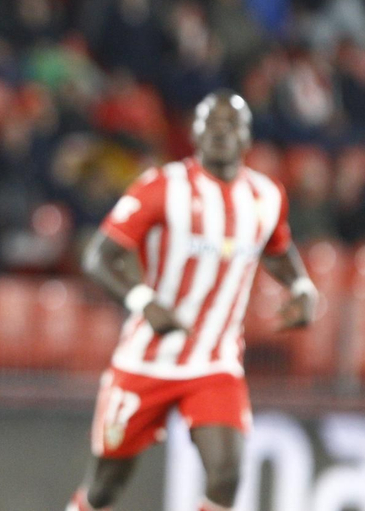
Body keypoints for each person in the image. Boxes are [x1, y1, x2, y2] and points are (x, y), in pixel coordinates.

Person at [67, 91, 319, 511]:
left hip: (214, 362)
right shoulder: (163, 186)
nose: (220, 132)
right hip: (145, 360)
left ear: (246, 137)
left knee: (227, 475)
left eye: (230, 124)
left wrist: (302, 288)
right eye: (210, 123)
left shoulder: (266, 196)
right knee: (105, 488)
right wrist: (142, 299)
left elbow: (277, 248)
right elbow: (98, 256)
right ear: (195, 133)